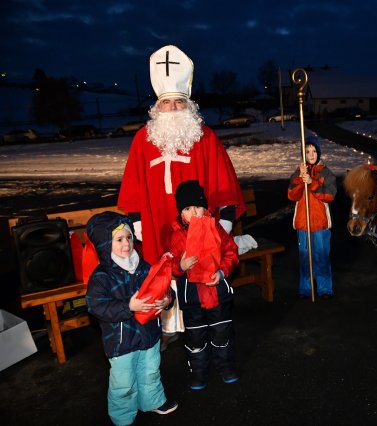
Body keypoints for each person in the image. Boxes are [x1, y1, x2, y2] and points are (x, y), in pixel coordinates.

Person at [117, 44, 245, 349]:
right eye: (166, 102)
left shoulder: (205, 137)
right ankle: (169, 327)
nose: (172, 108)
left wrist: (220, 230)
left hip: (197, 227)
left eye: (178, 101)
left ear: (189, 104)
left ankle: (203, 324)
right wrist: (139, 226)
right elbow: (133, 187)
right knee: (165, 268)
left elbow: (223, 185)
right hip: (157, 223)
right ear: (156, 107)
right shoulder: (142, 140)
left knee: (195, 267)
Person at [85, 212, 177, 425]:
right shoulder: (101, 277)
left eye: (129, 237)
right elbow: (96, 305)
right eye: (119, 239)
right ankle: (122, 416)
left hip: (149, 335)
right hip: (121, 341)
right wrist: (129, 306)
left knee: (150, 371)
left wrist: (166, 300)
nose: (126, 243)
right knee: (123, 382)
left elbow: (162, 288)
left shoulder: (144, 267)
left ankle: (152, 401)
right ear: (105, 244)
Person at [167, 180, 240, 390]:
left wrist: (222, 271)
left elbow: (231, 252)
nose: (194, 212)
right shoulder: (177, 235)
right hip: (192, 298)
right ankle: (198, 372)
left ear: (205, 207)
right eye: (187, 209)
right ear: (181, 213)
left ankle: (226, 366)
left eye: (198, 206)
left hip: (217, 292)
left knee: (222, 332)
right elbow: (169, 263)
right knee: (195, 337)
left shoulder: (215, 227)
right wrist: (180, 265)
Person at [287, 137, 337, 299]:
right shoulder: (298, 172)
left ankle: (324, 288)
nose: (311, 154)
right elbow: (292, 195)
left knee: (321, 256)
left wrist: (312, 182)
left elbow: (330, 195)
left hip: (320, 223)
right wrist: (301, 180)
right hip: (303, 223)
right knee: (304, 258)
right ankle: (305, 288)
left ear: (319, 153)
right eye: (307, 151)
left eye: (314, 151)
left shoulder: (326, 172)